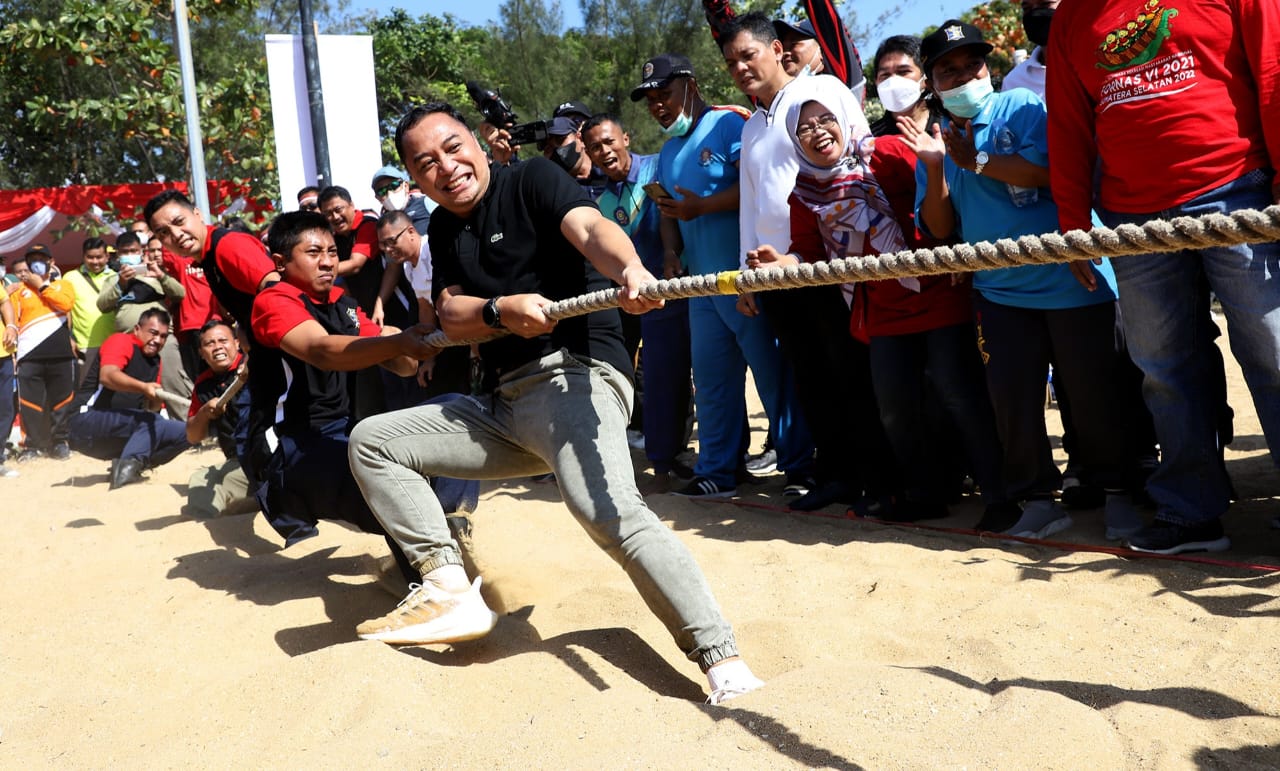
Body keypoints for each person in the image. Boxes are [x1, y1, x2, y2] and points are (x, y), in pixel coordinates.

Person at [348, 103, 764, 705]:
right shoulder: (442, 226)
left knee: (606, 513)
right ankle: (444, 583)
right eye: (426, 162)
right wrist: (500, 311)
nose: (446, 166)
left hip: (574, 374)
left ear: (479, 141)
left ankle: (721, 657)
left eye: (453, 146)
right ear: (415, 176)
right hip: (498, 404)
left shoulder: (532, 180)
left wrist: (632, 270)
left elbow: (591, 230)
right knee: (373, 442)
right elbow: (453, 313)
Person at [1047, 0, 1280, 554]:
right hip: (1134, 219)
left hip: (1236, 191)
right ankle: (1189, 511)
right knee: (1162, 367)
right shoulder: (1073, 17)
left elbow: (1273, 69)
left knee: (1274, 350)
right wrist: (1072, 223)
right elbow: (1068, 118)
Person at [903, 19, 1143, 540]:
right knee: (1012, 401)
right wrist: (940, 167)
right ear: (932, 81)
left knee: (1095, 394)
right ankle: (1036, 496)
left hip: (1074, 280)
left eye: (973, 65)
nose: (965, 77)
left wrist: (979, 161)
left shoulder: (1023, 107)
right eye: (949, 70)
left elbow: (1058, 173)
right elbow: (941, 232)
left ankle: (1120, 492)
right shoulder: (934, 140)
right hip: (1000, 293)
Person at [637, 52, 810, 499]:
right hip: (700, 288)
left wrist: (704, 206)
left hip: (745, 278)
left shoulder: (733, 123)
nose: (658, 105)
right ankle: (718, 469)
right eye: (650, 99)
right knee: (712, 380)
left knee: (772, 374)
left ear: (690, 86)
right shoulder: (668, 150)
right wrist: (673, 253)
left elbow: (759, 189)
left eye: (665, 93)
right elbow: (669, 209)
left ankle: (799, 465)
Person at [250, 211, 439, 578]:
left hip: (343, 432)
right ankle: (429, 587)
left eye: (333, 251)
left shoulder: (343, 304)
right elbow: (321, 350)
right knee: (390, 492)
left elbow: (403, 367)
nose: (327, 261)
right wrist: (398, 341)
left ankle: (441, 555)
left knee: (442, 425)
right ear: (281, 263)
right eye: (313, 252)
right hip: (289, 446)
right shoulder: (274, 301)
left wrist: (402, 346)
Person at [583, 113, 694, 486]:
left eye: (609, 141)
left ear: (625, 138)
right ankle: (661, 458)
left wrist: (668, 253)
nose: (604, 151)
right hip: (634, 296)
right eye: (595, 146)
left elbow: (668, 217)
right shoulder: (597, 199)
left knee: (690, 374)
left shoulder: (654, 169)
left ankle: (696, 456)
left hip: (674, 284)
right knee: (651, 375)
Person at [66, 308, 190, 489]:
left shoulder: (156, 361)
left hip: (121, 429)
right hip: (84, 422)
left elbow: (152, 408)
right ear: (137, 329)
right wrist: (143, 387)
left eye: (163, 336)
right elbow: (108, 376)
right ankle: (124, 476)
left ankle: (132, 465)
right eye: (153, 333)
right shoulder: (121, 341)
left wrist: (155, 398)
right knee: (151, 421)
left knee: (188, 432)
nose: (157, 340)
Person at [184, 318, 257, 518]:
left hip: (274, 456)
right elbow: (192, 436)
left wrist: (253, 361)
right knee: (201, 480)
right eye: (209, 343)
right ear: (201, 353)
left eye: (223, 340)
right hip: (239, 462)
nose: (217, 347)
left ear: (236, 343)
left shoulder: (255, 364)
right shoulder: (203, 384)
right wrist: (204, 414)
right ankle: (206, 525)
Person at [10, 246, 76, 461]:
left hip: (60, 354)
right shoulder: (18, 292)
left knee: (62, 401)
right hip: (29, 355)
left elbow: (66, 304)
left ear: (51, 261)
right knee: (30, 403)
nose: (37, 263)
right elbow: (11, 321)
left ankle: (60, 442)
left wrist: (42, 285)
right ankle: (31, 446)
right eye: (32, 260)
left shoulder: (63, 285)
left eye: (41, 259)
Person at [63, 237, 117, 382]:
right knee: (85, 392)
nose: (95, 261)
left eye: (99, 257)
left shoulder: (117, 277)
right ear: (83, 257)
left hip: (114, 344)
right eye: (90, 257)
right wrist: (68, 338)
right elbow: (65, 310)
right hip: (84, 346)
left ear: (107, 256)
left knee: (112, 388)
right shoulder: (70, 277)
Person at [868, 36, 937, 138]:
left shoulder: (950, 124)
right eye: (885, 75)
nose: (892, 81)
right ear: (876, 82)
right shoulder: (870, 139)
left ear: (925, 76)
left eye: (903, 71)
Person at [371, 164, 431, 234]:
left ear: (406, 186)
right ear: (377, 198)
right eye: (382, 191)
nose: (389, 193)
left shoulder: (426, 203)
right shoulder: (382, 224)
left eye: (394, 185)